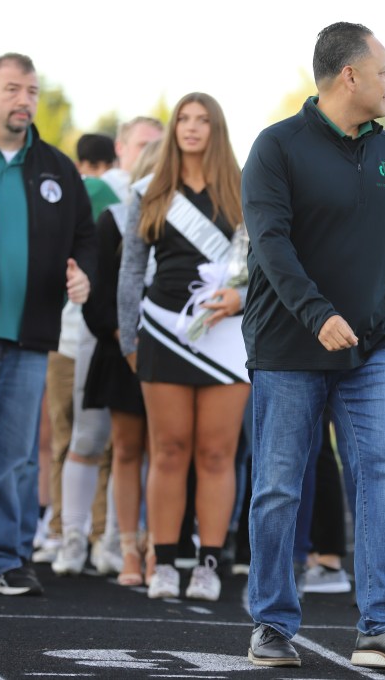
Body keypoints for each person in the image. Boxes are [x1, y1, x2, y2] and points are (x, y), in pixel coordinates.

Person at [241, 21, 385, 671]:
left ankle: (382, 625)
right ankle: (272, 624)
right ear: (349, 75)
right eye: (382, 70)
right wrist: (317, 312)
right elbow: (271, 245)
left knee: (382, 477)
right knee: (278, 487)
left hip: (371, 352)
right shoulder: (277, 146)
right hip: (288, 349)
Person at [0, 52, 95, 596]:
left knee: (12, 458)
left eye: (31, 91)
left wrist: (84, 274)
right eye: (12, 89)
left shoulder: (57, 166)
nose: (24, 100)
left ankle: (0, 560)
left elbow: (85, 237)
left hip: (30, 336)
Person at [117, 92, 249, 602]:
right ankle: (166, 562)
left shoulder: (243, 189)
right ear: (174, 130)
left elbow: (265, 262)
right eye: (183, 120)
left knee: (216, 453)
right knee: (168, 451)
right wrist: (128, 336)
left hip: (226, 334)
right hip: (164, 329)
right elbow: (132, 269)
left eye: (202, 120)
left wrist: (241, 297)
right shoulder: (150, 191)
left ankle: (208, 564)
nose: (191, 128)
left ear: (217, 129)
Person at [84, 138, 162, 586]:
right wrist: (126, 338)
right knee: (128, 449)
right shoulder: (113, 219)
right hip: (123, 351)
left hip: (176, 353)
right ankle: (128, 548)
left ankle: (159, 547)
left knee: (167, 454)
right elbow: (98, 293)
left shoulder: (200, 218)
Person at [49, 133, 124, 577]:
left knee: (107, 446)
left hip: (106, 335)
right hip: (89, 334)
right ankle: (77, 535)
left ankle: (97, 537)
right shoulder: (99, 193)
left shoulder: (119, 195)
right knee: (86, 442)